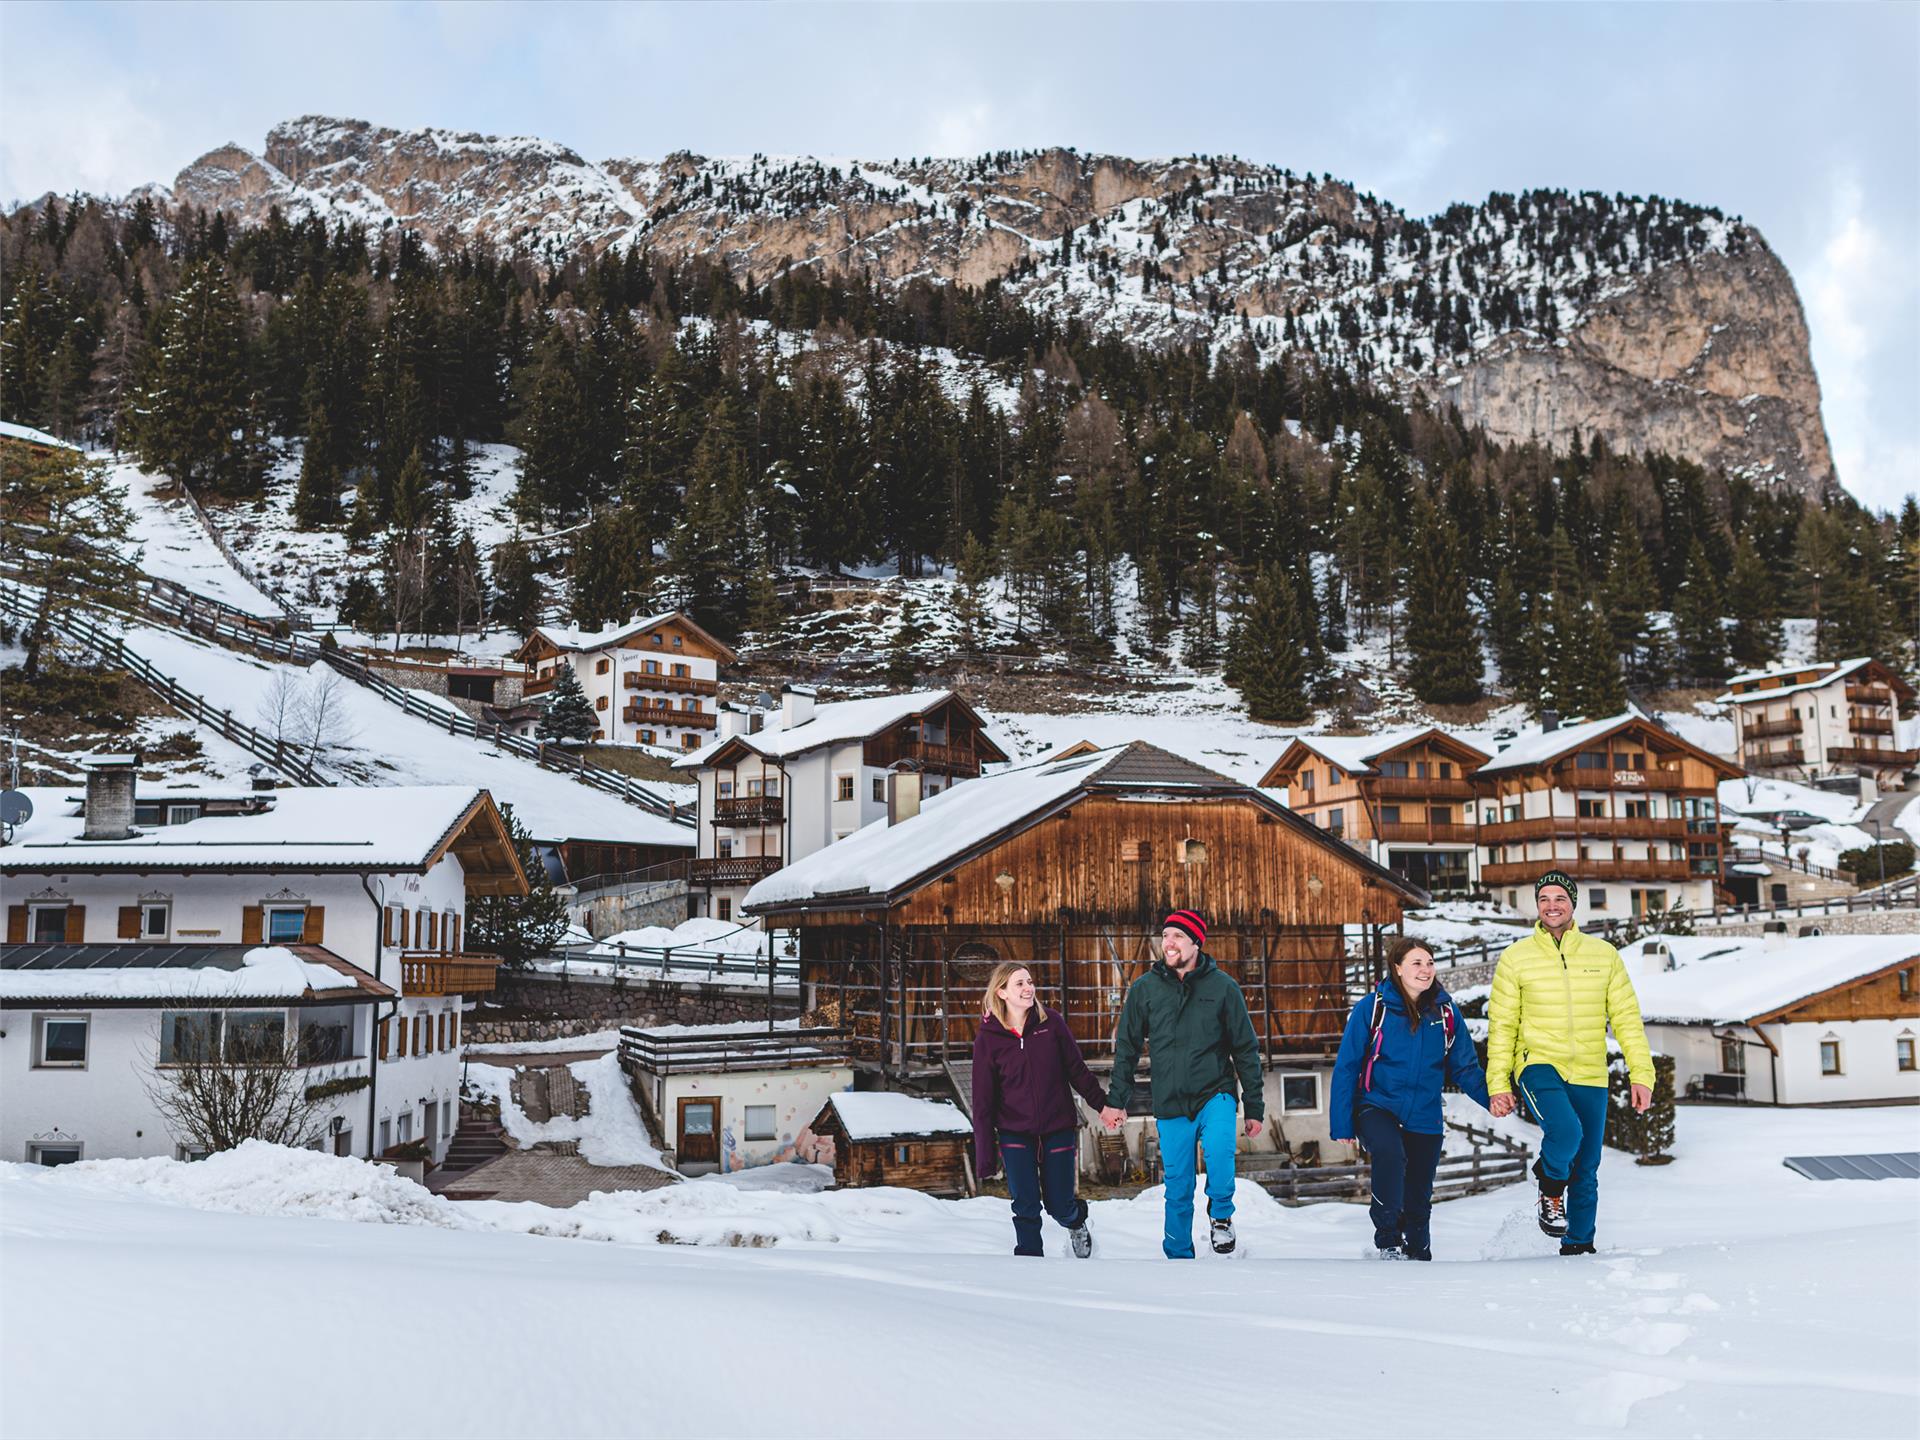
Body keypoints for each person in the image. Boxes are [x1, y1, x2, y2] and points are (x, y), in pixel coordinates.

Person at [1486, 870, 1655, 1255]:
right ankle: (1549, 1185)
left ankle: (1578, 1248)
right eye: (1544, 898)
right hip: (1538, 1063)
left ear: (1573, 904)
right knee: (1566, 1133)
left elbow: (1627, 1018)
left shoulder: (1604, 956)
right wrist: (1498, 1083)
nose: (1551, 906)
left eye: (1559, 898)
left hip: (1591, 1071)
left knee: (1587, 1166)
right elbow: (1502, 1025)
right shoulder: (1516, 958)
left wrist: (1642, 1074)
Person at [1099, 909, 1265, 1258]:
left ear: (1196, 943)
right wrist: (1116, 1100)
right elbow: (1127, 1049)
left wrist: (1254, 1106)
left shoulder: (1223, 987)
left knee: (1220, 1153)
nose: (1168, 942)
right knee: (1177, 1186)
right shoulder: (1145, 989)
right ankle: (1177, 1254)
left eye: (1177, 936)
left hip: (1215, 1092)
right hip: (1170, 1098)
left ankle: (1221, 1217)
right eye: (1165, 936)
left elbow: (1245, 1049)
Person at [1329, 936, 1491, 1260]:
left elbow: (1465, 1067)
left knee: (1418, 1192)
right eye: (1416, 962)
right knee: (1389, 1153)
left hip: (1424, 1112)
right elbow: (1347, 1066)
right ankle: (1388, 1240)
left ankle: (1419, 1253)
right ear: (1398, 968)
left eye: (1430, 962)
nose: (1425, 969)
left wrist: (1494, 1098)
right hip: (1377, 1104)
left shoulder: (1444, 1013)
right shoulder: (1373, 1008)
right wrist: (1342, 1123)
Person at [971, 962, 1107, 1258]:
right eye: (1019, 983)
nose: (1028, 988)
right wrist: (985, 1156)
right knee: (1026, 1205)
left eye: (1029, 982)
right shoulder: (989, 1039)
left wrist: (1103, 1106)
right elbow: (982, 1101)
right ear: (1001, 992)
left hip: (1057, 1127)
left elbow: (1078, 1071)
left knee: (1059, 1205)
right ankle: (1029, 1267)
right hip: (1014, 1132)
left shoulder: (1051, 1024)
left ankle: (1077, 1221)